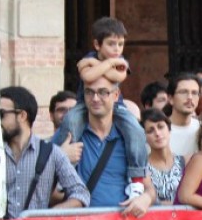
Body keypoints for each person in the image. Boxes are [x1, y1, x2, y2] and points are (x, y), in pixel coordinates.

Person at [52, 17, 148, 200]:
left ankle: (136, 180)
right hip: (82, 106)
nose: (117, 49)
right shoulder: (94, 58)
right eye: (111, 44)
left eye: (120, 44)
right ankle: (64, 169)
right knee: (70, 121)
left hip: (118, 108)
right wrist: (108, 65)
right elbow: (88, 77)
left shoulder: (112, 61)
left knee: (135, 130)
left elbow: (115, 76)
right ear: (97, 44)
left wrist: (101, 66)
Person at [0, 86, 89, 219]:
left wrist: (49, 215)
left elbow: (81, 194)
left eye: (1, 114)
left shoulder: (52, 153)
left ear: (22, 116)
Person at [75, 77, 157, 214]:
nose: (95, 98)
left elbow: (149, 188)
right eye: (89, 92)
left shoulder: (129, 139)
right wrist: (62, 156)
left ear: (116, 95)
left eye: (103, 92)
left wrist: (146, 198)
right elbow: (51, 193)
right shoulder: (73, 136)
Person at [142, 109, 184, 204]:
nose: (157, 133)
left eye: (161, 127)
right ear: (144, 137)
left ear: (169, 129)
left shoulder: (184, 162)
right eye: (150, 130)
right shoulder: (142, 167)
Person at [166, 73, 202, 160]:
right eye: (183, 92)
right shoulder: (159, 131)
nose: (190, 97)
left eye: (194, 93)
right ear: (170, 98)